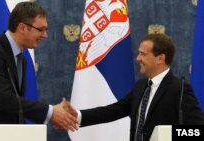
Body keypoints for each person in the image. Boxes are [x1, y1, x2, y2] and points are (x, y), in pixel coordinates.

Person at [0, 2, 77, 131]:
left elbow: (15, 107)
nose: (45, 35)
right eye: (41, 29)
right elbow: (3, 99)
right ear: (23, 28)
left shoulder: (21, 59)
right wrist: (51, 112)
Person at [63, 33, 204, 140]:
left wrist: (167, 134)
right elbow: (114, 110)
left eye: (143, 54)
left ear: (160, 58)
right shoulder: (141, 86)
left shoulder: (179, 89)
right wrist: (79, 115)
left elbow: (198, 130)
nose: (138, 58)